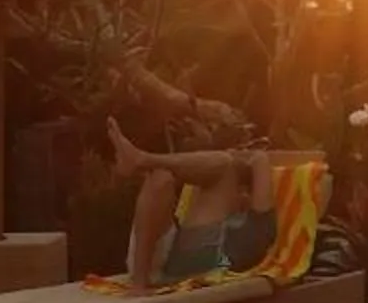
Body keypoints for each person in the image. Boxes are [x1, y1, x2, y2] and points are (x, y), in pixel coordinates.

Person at [108, 117, 278, 292]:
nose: (241, 194)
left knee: (223, 163)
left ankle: (143, 160)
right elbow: (213, 167)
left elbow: (260, 159)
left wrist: (249, 156)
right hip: (163, 257)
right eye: (239, 189)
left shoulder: (252, 234)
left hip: (174, 271)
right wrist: (239, 154)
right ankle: (142, 160)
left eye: (245, 190)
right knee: (162, 178)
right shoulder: (220, 221)